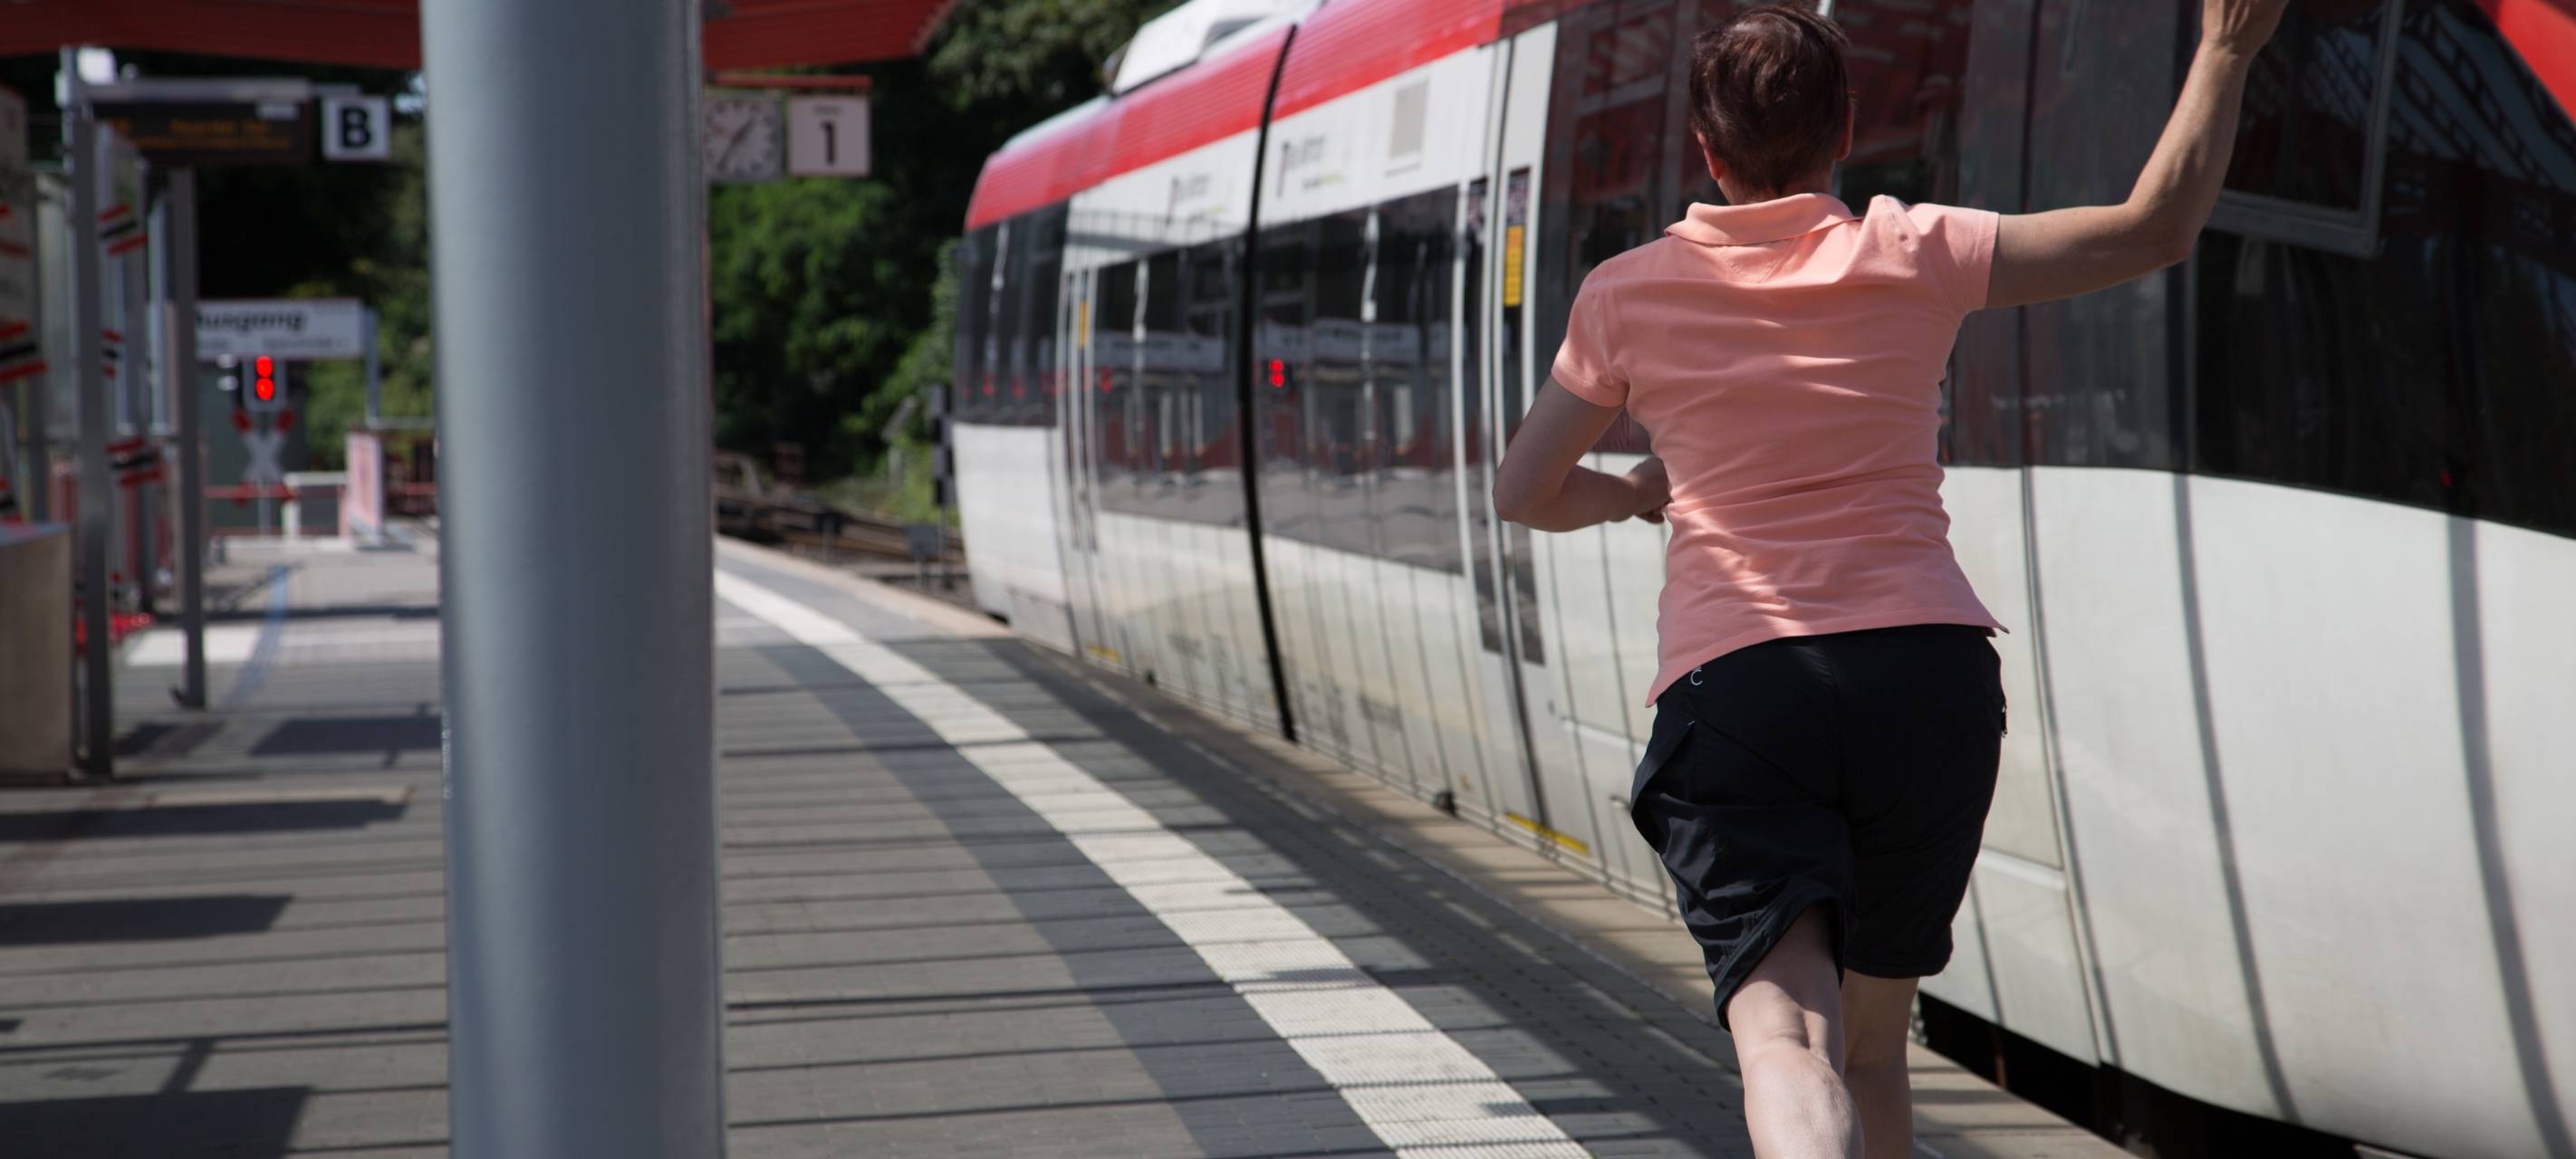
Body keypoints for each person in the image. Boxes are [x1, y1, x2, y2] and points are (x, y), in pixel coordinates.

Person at [1491, 2, 2290, 1155]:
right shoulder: (1916, 249)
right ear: (1846, 130)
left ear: (1707, 155)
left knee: (1789, 1043)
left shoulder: (1623, 293)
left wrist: (1634, 491)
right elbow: (2151, 228)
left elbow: (1523, 489)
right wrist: (2225, 52)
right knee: (1875, 1045)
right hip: (1926, 681)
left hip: (1741, 692)